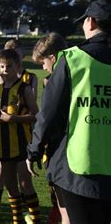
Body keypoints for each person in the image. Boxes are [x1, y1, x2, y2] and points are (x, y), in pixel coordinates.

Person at [27, 0, 111, 224]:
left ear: (91, 22)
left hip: (79, 166)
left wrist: (34, 150)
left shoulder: (73, 59)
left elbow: (48, 114)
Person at [0, 39, 38, 224]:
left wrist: (13, 119)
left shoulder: (24, 88)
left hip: (22, 142)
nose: (5, 70)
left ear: (18, 66)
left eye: (9, 66)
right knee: (10, 185)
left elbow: (35, 115)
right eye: (2, 66)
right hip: (3, 142)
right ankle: (17, 219)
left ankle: (35, 217)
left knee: (25, 183)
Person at [32, 32, 69, 224]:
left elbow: (46, 118)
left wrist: (34, 150)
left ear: (53, 58)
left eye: (43, 63)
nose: (43, 67)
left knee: (64, 207)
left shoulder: (57, 80)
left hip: (61, 152)